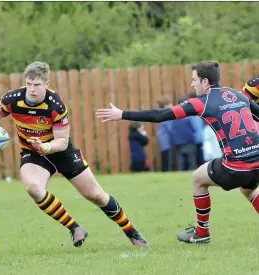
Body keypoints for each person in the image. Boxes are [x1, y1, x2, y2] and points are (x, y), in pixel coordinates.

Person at [0, 61, 148, 248]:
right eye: (29, 84)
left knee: (96, 195)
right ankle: (74, 228)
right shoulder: (12, 99)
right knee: (33, 188)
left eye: (37, 85)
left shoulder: (56, 105)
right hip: (33, 153)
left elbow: (62, 141)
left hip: (61, 152)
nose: (32, 89)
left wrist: (46, 147)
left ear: (46, 84)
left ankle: (132, 233)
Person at [96, 61, 259, 244]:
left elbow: (161, 115)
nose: (192, 84)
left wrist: (123, 114)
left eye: (194, 80)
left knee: (198, 179)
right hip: (256, 162)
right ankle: (201, 233)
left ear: (205, 81)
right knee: (249, 191)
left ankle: (201, 234)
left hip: (236, 166)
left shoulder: (201, 102)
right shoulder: (237, 94)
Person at [156, 96, 174, 172]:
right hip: (165, 138)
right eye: (170, 103)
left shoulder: (161, 112)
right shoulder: (166, 113)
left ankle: (165, 170)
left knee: (165, 156)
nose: (172, 105)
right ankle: (167, 171)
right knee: (167, 157)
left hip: (162, 138)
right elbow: (170, 127)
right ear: (166, 105)